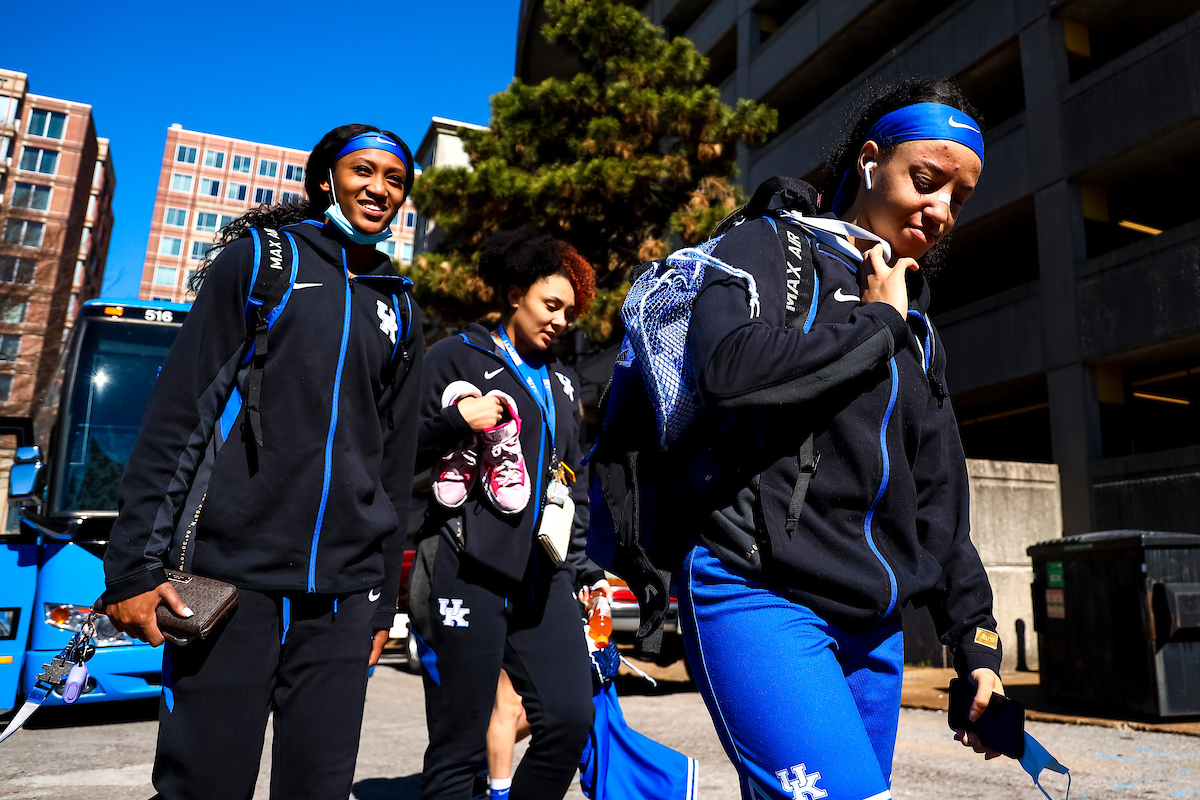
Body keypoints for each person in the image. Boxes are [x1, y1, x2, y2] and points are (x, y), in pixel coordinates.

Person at [678, 77, 1004, 800]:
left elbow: (940, 497)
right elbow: (730, 370)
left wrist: (976, 642)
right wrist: (875, 325)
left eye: (961, 196)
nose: (942, 210)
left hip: (871, 630)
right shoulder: (767, 246)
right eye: (927, 180)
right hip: (757, 589)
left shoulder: (919, 327)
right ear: (869, 160)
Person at [99, 124, 423, 800]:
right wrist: (134, 564)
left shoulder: (399, 304)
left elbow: (395, 466)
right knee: (204, 785)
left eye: (395, 180)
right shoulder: (261, 261)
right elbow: (180, 416)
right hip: (232, 581)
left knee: (318, 790)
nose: (380, 189)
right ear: (325, 178)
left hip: (344, 593)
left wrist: (384, 604)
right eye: (364, 171)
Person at [411, 225, 602, 800]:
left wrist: (585, 569)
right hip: (466, 568)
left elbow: (575, 480)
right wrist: (456, 422)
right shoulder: (453, 356)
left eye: (569, 314)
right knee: (461, 740)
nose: (559, 322)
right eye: (551, 305)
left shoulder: (565, 383)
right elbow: (395, 450)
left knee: (570, 721)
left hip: (545, 576)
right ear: (516, 292)